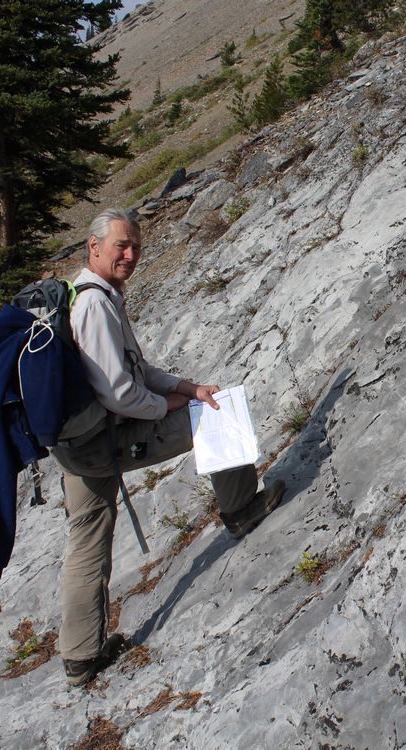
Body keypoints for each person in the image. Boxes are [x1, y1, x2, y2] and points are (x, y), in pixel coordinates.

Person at [51, 207, 285, 686]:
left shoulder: (83, 294)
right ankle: (241, 509)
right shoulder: (95, 304)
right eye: (122, 246)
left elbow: (134, 368)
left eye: (136, 246)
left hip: (76, 446)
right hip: (109, 439)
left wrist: (183, 385)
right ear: (93, 247)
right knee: (214, 417)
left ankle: (80, 657)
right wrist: (171, 405)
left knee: (87, 539)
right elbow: (119, 391)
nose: (132, 255)